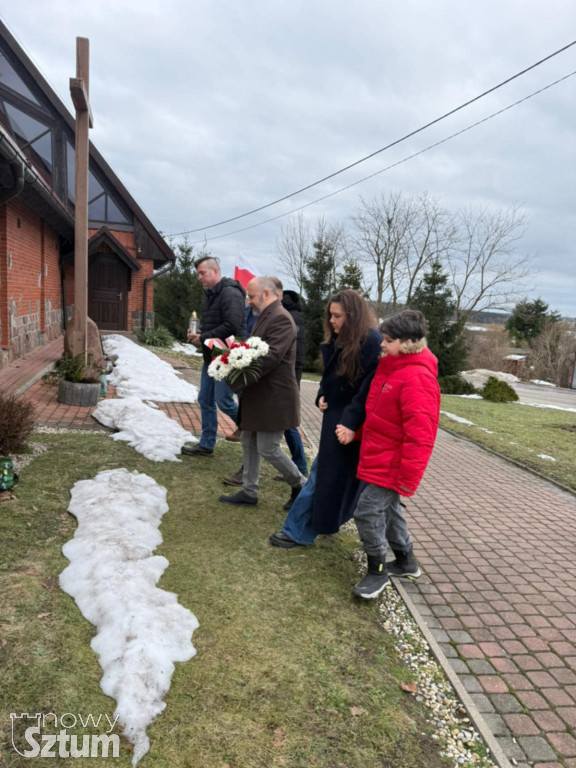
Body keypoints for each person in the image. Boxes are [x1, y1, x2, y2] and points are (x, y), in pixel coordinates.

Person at [336, 309, 440, 600]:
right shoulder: (393, 368)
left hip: (394, 464)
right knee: (389, 509)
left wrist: (406, 478)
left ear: (408, 343)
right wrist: (358, 434)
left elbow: (420, 434)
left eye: (389, 340)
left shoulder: (417, 378)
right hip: (380, 456)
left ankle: (377, 571)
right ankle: (406, 561)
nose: (382, 343)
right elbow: (382, 417)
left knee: (367, 510)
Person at [269, 289, 381, 548]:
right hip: (338, 418)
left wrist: (351, 422)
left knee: (327, 477)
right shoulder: (343, 338)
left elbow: (368, 388)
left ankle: (298, 531)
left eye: (337, 316)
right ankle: (308, 527)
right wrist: (322, 393)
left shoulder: (371, 341)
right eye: (330, 315)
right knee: (328, 476)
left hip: (350, 425)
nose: (331, 321)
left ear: (352, 316)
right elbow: (334, 376)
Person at [219, 277, 307, 507]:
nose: (248, 302)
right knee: (248, 441)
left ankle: (301, 486)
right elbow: (254, 350)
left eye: (251, 296)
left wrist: (236, 373)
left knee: (268, 448)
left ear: (266, 295)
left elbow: (270, 357)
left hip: (274, 397)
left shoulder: (281, 319)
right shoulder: (266, 316)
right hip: (259, 395)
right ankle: (249, 491)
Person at [182, 256, 246, 457]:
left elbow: (232, 326)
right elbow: (213, 325)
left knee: (224, 402)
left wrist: (203, 337)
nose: (200, 278)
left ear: (216, 272)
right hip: (211, 357)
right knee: (205, 399)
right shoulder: (211, 295)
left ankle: (253, 427)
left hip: (226, 356)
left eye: (203, 273)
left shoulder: (230, 294)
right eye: (198, 274)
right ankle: (207, 444)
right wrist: (200, 332)